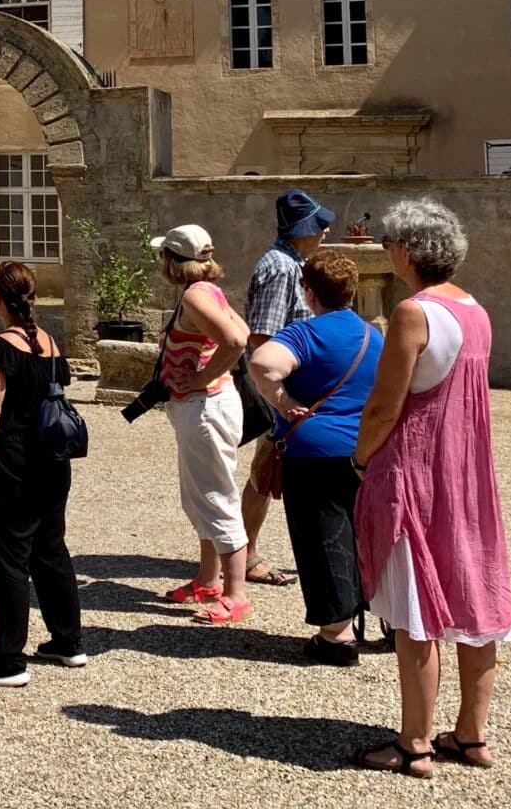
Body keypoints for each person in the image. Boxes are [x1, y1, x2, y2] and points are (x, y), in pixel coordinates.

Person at [348, 199, 511, 777]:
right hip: (465, 474)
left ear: (408, 251)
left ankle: (414, 743)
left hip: (416, 471)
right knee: (475, 594)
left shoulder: (412, 313)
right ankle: (471, 735)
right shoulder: (476, 309)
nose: (388, 251)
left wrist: (361, 456)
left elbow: (385, 406)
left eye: (392, 243)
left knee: (415, 610)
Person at [248, 250, 380, 665]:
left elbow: (263, 363)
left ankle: (336, 636)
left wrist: (286, 403)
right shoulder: (373, 336)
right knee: (368, 537)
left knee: (323, 539)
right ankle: (389, 621)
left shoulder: (304, 333)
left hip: (314, 449)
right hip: (365, 449)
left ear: (308, 291)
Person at [0, 259, 86, 687]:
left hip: (12, 462)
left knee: (9, 558)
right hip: (53, 459)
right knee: (50, 548)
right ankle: (68, 639)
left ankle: (9, 656)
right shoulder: (51, 343)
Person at [153, 224, 254, 625]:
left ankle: (235, 594)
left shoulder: (195, 296)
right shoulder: (207, 292)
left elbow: (235, 341)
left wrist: (200, 376)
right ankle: (209, 579)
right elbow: (242, 330)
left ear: (172, 261)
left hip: (205, 406)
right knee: (201, 496)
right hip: (207, 405)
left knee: (215, 497)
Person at [240, 189, 335, 588]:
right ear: (303, 230)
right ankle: (246, 556)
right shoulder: (281, 268)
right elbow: (263, 336)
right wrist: (279, 397)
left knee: (271, 472)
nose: (326, 231)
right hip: (282, 393)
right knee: (266, 473)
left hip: (289, 390)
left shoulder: (291, 263)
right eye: (319, 226)